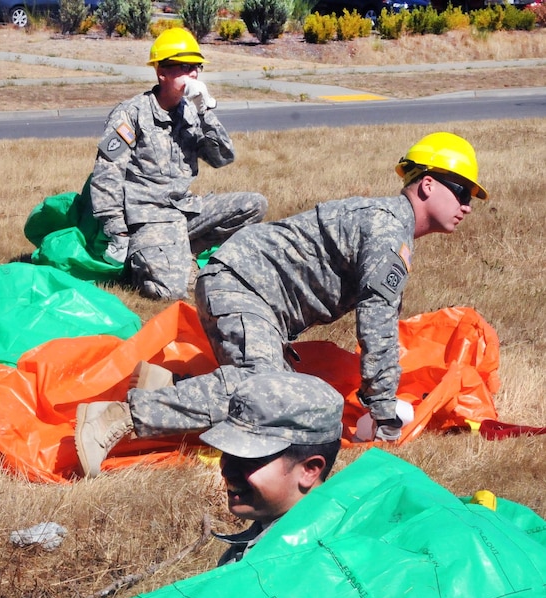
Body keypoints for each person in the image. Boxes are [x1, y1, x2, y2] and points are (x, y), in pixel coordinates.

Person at [75, 131, 488, 478]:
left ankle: (169, 386)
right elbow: (377, 327)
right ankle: (118, 418)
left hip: (251, 293)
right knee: (263, 391)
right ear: (428, 184)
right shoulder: (387, 233)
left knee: (287, 405)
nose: (468, 205)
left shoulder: (387, 225)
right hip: (241, 286)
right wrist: (383, 416)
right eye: (462, 191)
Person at [90, 27, 267, 300]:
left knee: (253, 205)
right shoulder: (131, 114)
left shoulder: (191, 111)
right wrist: (117, 230)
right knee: (170, 293)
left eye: (196, 67)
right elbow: (106, 171)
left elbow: (222, 158)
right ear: (162, 72)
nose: (193, 74)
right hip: (149, 218)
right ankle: (141, 260)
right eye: (184, 67)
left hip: (184, 210)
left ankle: (186, 250)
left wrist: (205, 111)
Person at [198, 372, 344, 566]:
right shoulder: (272, 541)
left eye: (249, 459)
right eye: (227, 452)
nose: (227, 471)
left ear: (310, 469)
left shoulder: (309, 564)